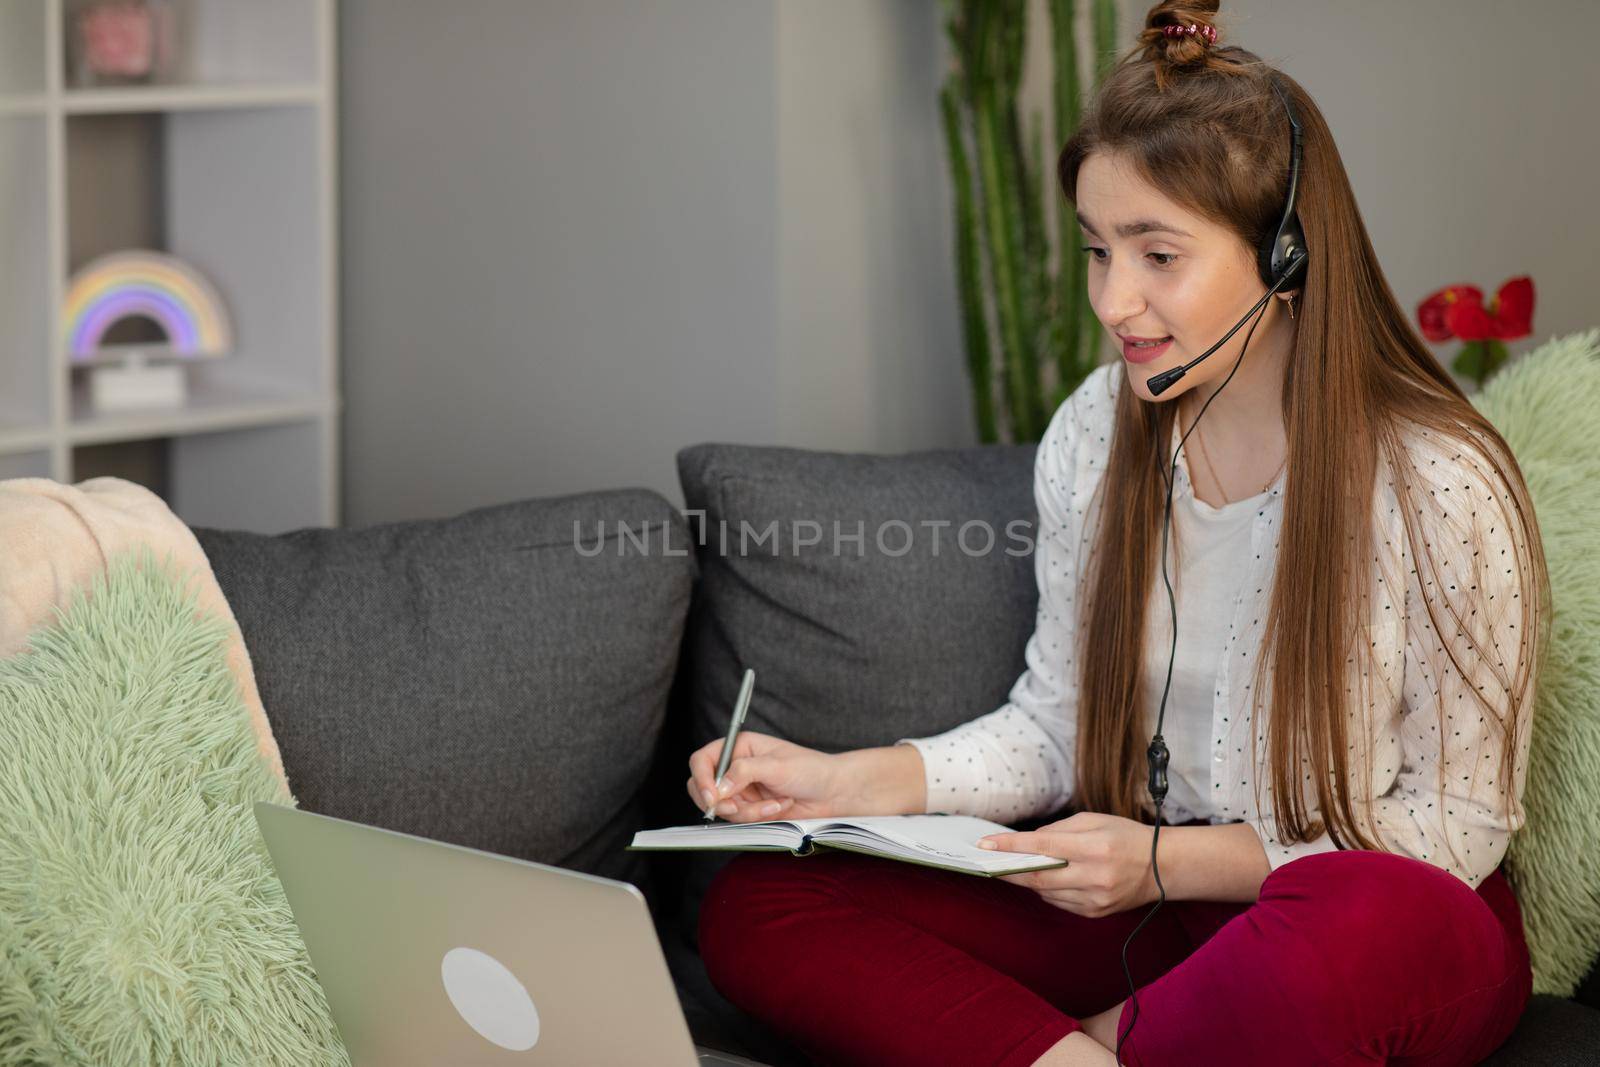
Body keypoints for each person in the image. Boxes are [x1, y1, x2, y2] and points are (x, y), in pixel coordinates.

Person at [686, 2, 1550, 1063]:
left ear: (1283, 256)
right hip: (1149, 902)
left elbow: (1455, 825)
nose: (1113, 300)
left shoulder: (1440, 480)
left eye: (1157, 253)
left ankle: (1083, 1038)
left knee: (1372, 908)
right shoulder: (1098, 428)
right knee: (760, 899)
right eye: (1099, 251)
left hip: (1351, 911)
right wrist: (845, 781)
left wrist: (1165, 865)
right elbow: (1053, 726)